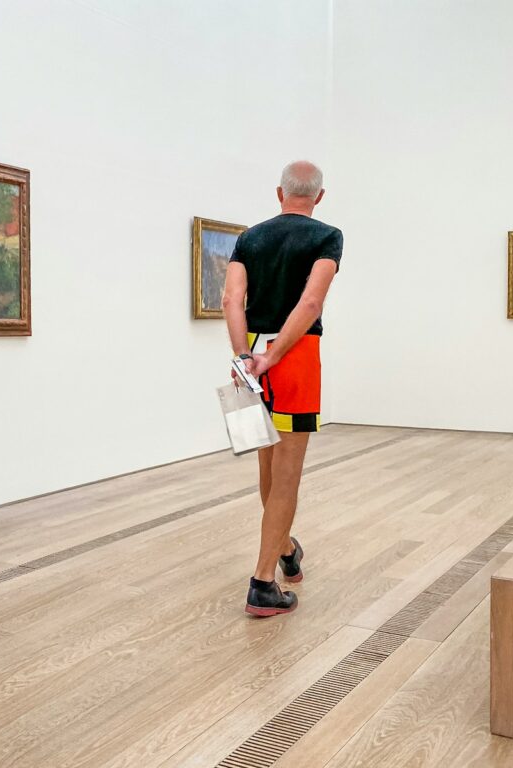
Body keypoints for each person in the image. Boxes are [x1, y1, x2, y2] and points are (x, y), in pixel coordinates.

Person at [222, 160, 342, 617]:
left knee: (267, 471)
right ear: (319, 197)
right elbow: (311, 301)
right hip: (295, 357)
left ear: (279, 194)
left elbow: (233, 299)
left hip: (250, 357)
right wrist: (274, 356)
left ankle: (287, 548)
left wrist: (245, 357)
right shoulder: (327, 236)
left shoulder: (250, 238)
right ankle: (263, 582)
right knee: (287, 477)